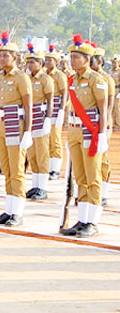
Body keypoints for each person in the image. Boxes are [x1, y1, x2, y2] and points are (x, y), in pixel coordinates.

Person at [60, 35, 108, 237]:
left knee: (92, 176)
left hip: (91, 132)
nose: (72, 61)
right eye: (71, 57)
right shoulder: (72, 80)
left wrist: (103, 134)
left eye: (77, 57)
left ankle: (93, 222)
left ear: (87, 60)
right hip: (74, 131)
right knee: (79, 176)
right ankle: (83, 219)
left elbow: (103, 109)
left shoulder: (97, 80)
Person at [0, 32, 32, 226]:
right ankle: (9, 210)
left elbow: (28, 105)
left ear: (14, 58)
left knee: (16, 169)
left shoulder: (21, 77)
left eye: (6, 56)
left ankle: (18, 212)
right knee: (5, 168)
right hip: (1, 122)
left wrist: (28, 131)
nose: (2, 59)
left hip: (15, 122)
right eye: (0, 56)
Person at [24, 43, 54, 201]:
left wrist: (48, 118)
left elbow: (50, 100)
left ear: (40, 63)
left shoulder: (45, 79)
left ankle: (43, 187)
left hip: (41, 116)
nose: (30, 65)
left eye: (33, 62)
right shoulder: (27, 78)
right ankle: (35, 185)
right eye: (28, 62)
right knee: (33, 153)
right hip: (30, 118)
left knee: (42, 153)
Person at [90, 45, 115, 207]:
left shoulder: (107, 79)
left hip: (102, 123)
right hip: (88, 123)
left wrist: (103, 126)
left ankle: (103, 192)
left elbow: (109, 106)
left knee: (103, 158)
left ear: (99, 62)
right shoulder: (86, 78)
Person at [44, 45, 68, 179]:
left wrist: (61, 110)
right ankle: (48, 166)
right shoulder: (43, 74)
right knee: (46, 139)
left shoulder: (59, 75)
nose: (47, 62)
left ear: (56, 62)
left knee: (55, 139)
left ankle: (56, 169)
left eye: (50, 60)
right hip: (46, 108)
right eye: (46, 60)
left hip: (56, 105)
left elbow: (64, 93)